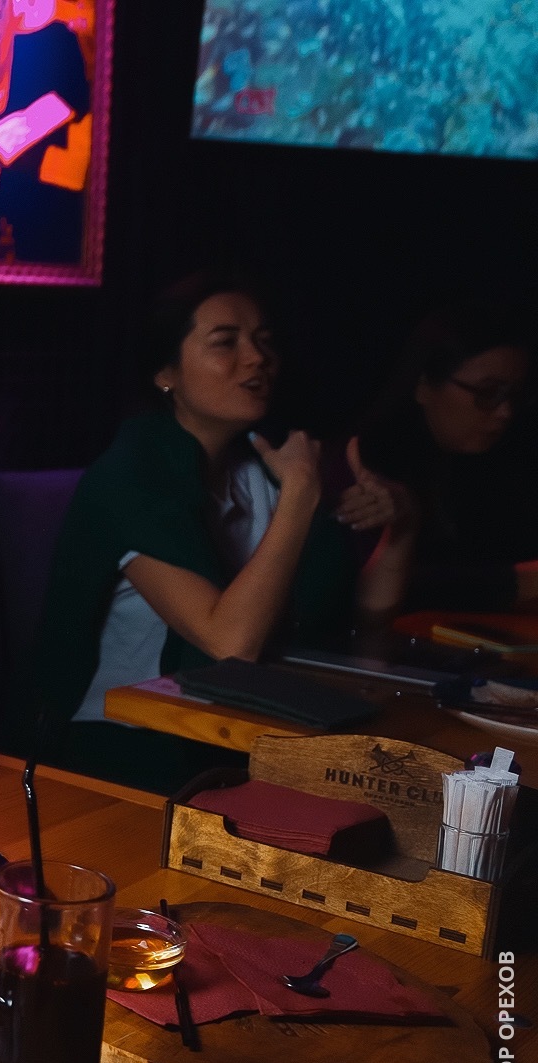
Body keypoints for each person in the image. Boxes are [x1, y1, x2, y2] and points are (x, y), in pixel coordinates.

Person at [36, 272, 415, 792]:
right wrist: (301, 493)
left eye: (264, 340)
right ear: (166, 372)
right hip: (123, 740)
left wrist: (403, 525)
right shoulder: (132, 476)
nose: (257, 358)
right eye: (225, 341)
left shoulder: (261, 466)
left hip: (236, 727)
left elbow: (364, 622)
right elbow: (230, 641)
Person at [352, 302, 534, 611]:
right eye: (488, 393)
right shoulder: (368, 462)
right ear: (424, 384)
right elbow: (365, 586)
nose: (505, 412)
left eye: (514, 396)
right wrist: (518, 581)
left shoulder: (502, 463)